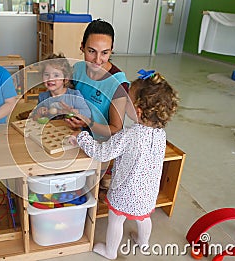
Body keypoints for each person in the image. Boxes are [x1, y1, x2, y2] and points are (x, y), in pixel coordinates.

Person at [70, 71, 179, 259]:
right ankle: (143, 243)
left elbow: (102, 153)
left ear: (137, 111)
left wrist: (82, 137)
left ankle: (110, 251)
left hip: (125, 192)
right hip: (148, 193)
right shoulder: (161, 135)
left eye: (127, 101)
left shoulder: (128, 135)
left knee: (116, 220)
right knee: (144, 218)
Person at [66, 19, 130, 140]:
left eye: (104, 53)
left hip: (100, 144)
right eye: (91, 51)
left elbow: (116, 129)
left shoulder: (118, 84)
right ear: (82, 47)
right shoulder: (77, 69)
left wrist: (87, 124)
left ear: (111, 50)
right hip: (74, 132)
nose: (97, 60)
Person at [32, 53, 91, 121]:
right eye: (46, 74)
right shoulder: (42, 97)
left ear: (65, 79)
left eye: (56, 75)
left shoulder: (74, 95)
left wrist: (73, 111)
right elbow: (35, 118)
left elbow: (88, 113)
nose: (50, 78)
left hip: (71, 130)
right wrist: (39, 113)